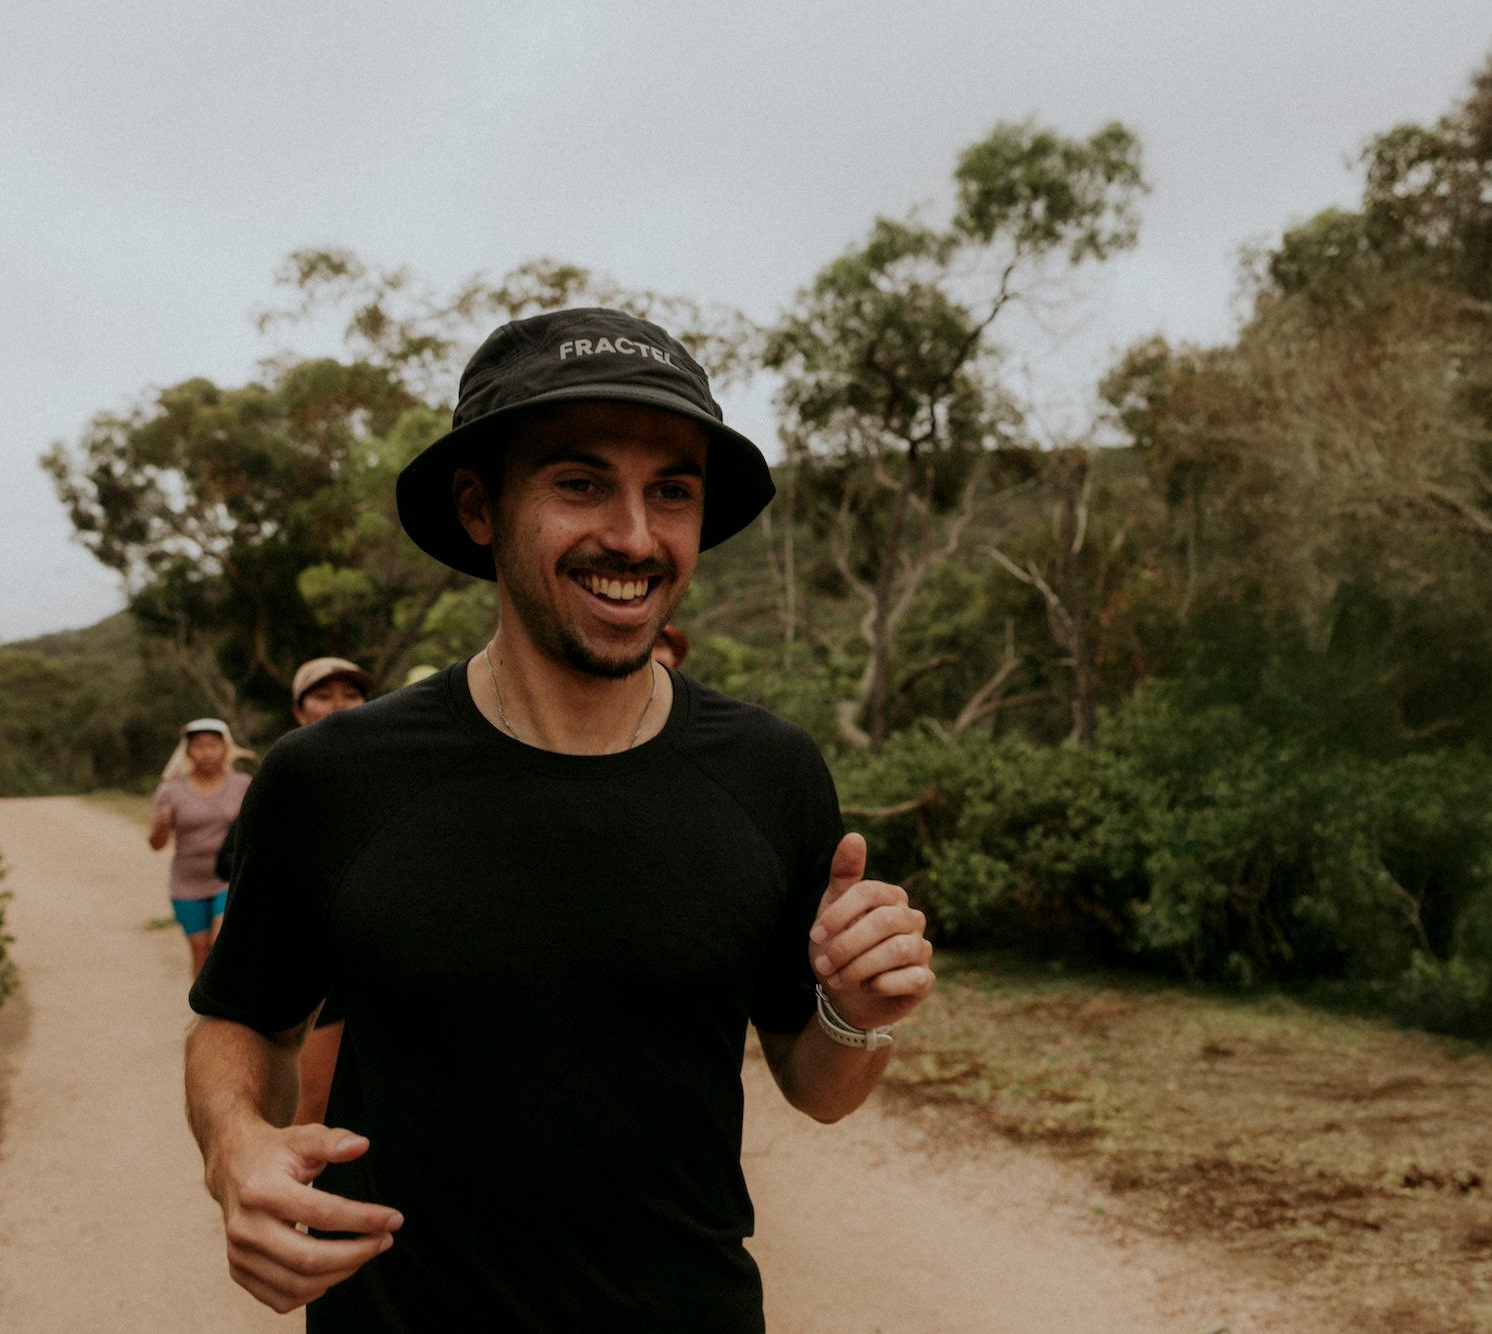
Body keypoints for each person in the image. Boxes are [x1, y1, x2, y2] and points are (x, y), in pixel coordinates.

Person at [184, 307, 935, 1330]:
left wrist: (855, 1009)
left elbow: (819, 1082)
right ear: (479, 506)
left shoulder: (770, 771)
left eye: (669, 490)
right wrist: (235, 1144)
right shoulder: (334, 777)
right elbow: (243, 1018)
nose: (633, 535)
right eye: (580, 482)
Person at [211, 657, 378, 1126]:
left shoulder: (396, 774)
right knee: (314, 1104)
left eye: (351, 694)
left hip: (382, 962)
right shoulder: (286, 777)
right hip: (320, 970)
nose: (339, 706)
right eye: (323, 696)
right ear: (299, 711)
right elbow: (230, 859)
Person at [148, 719, 253, 978]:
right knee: (199, 950)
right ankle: (203, 1009)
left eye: (213, 745)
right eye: (199, 746)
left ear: (225, 749)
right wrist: (161, 827)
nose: (207, 752)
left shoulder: (243, 785)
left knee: (221, 942)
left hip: (228, 879)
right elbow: (156, 845)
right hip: (186, 883)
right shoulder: (170, 791)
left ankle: (229, 1006)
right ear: (188, 751)